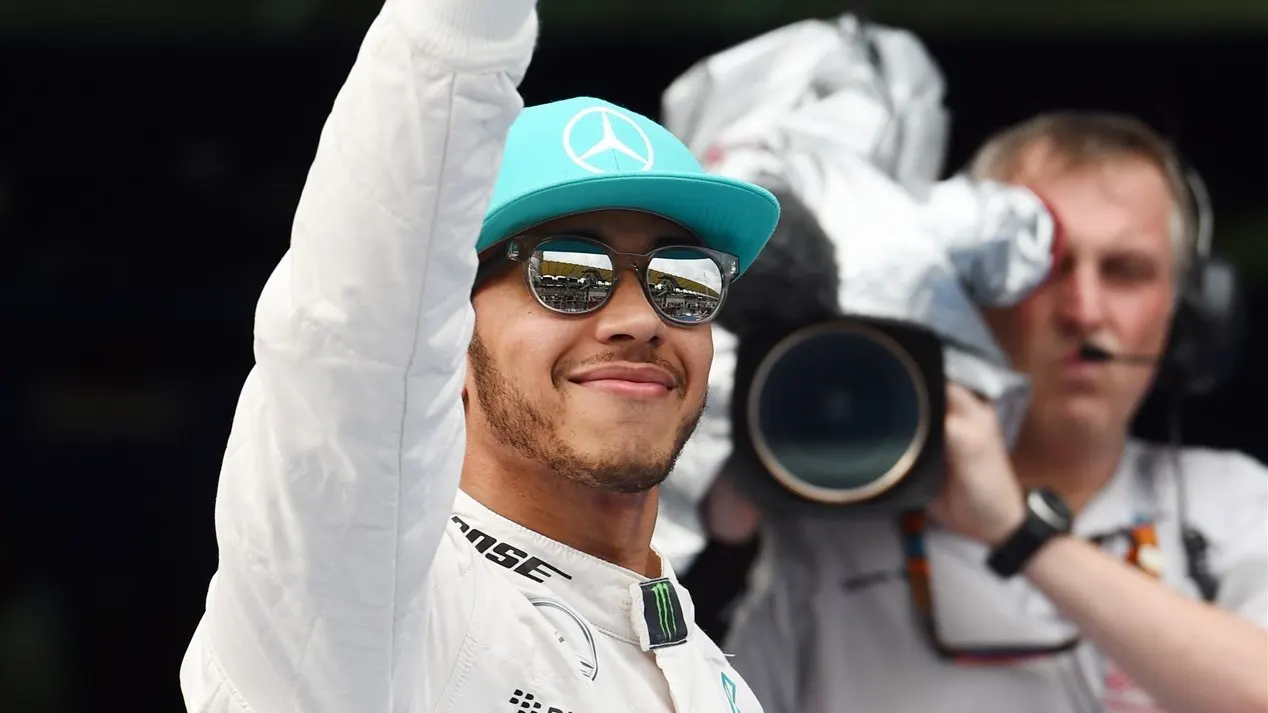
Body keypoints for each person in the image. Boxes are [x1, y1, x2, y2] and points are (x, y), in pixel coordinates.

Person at [177, 0, 782, 711]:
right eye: (568, 273)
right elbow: (354, 335)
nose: (639, 318)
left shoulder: (718, 682)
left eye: (684, 279)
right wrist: (457, 32)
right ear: (447, 331)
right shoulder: (370, 613)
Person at [702, 112, 1268, 713]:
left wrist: (1017, 531)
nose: (1083, 309)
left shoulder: (1235, 502)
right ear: (966, 285)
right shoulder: (821, 519)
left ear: (1186, 318)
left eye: (1125, 272)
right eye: (1044, 267)